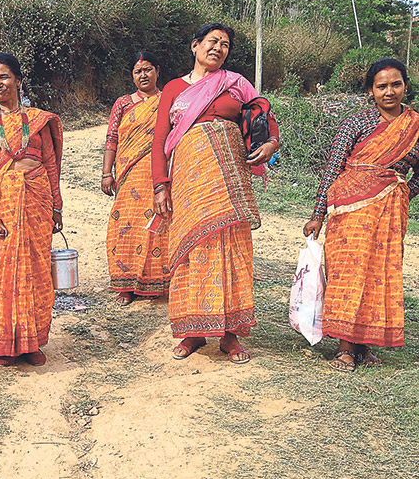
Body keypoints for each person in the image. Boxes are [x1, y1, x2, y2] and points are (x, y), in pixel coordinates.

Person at [151, 23, 279, 364]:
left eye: (224, 45)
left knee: (229, 247)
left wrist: (270, 143)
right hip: (188, 180)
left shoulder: (236, 84)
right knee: (190, 246)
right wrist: (160, 184)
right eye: (212, 42)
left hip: (228, 177)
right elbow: (161, 138)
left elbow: (265, 114)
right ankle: (193, 332)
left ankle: (229, 335)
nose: (218, 48)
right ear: (195, 46)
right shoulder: (174, 88)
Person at [303, 58, 419, 372]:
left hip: (389, 212)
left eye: (396, 84)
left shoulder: (415, 125)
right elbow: (333, 168)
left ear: (405, 85)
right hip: (348, 209)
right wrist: (318, 214)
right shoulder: (358, 122)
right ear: (371, 90)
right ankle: (344, 348)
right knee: (349, 274)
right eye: (382, 86)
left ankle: (364, 346)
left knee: (377, 275)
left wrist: (404, 191)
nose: (390, 91)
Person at [0, 53, 63, 367]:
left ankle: (31, 341)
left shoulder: (37, 118)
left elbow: (50, 163)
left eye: (4, 76)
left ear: (18, 80)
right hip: (0, 204)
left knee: (35, 270)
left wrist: (57, 207)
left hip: (36, 201)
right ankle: (0, 345)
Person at [102, 51, 170, 306]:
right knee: (125, 225)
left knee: (156, 224)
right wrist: (106, 173)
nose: (143, 75)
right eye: (138, 71)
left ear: (157, 71)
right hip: (127, 174)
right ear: (132, 75)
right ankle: (126, 284)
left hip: (156, 174)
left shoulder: (168, 101)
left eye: (148, 69)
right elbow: (112, 139)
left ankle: (155, 282)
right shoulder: (123, 103)